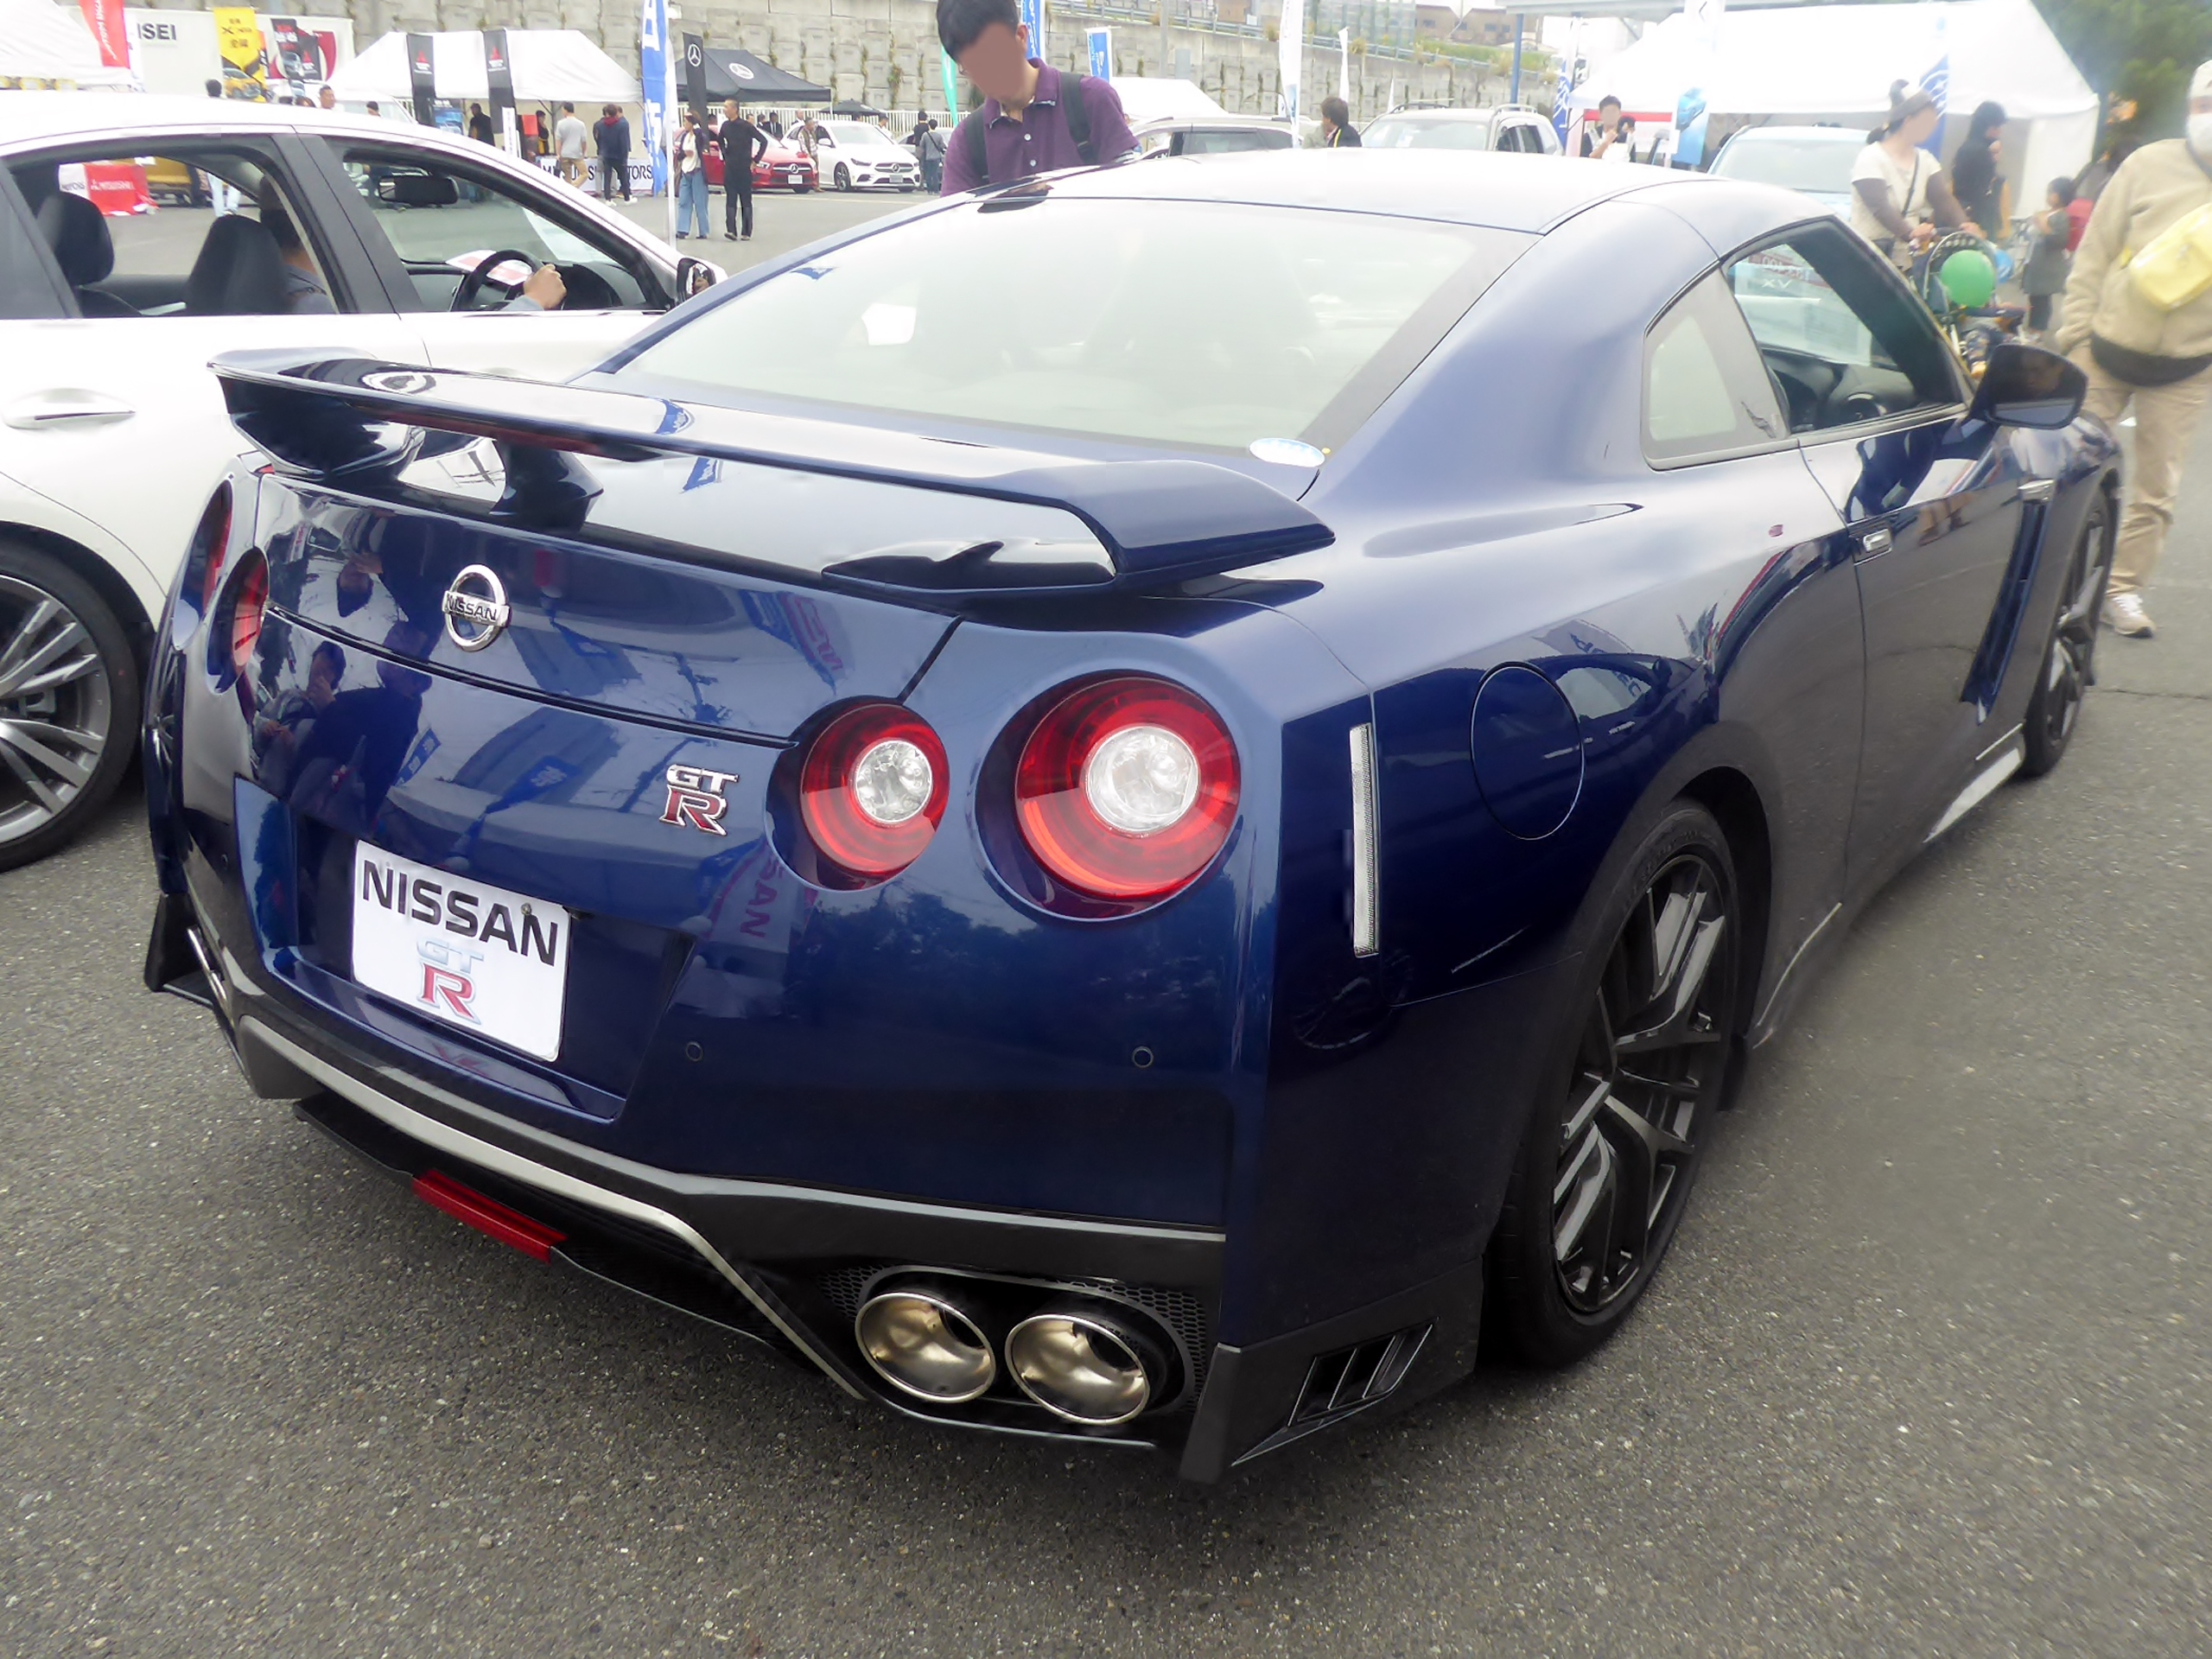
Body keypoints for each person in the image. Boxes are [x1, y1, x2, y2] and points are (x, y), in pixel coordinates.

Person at [2055, 60, 2212, 639]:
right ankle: (2056, 580)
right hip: (2105, 347)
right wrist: (2074, 338)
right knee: (2074, 471)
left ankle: (2121, 589)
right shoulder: (2148, 166)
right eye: (2204, 104)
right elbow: (2094, 251)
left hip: (2188, 367)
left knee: (2158, 490)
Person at [936, 0, 1135, 193]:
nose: (990, 76)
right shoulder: (968, 140)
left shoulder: (1092, 100)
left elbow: (1133, 196)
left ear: (1021, 36)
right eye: (975, 68)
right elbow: (955, 222)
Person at [1848, 82, 1981, 264]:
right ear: (1908, 121)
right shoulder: (1871, 157)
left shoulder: (1925, 160)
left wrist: (1964, 225)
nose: (1934, 125)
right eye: (1928, 120)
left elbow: (1943, 200)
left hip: (1908, 260)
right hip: (1870, 260)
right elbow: (1880, 207)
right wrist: (1909, 233)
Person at [2020, 176, 2075, 342]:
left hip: (2047, 267)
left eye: (2052, 192)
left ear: (2062, 196)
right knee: (2034, 297)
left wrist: (2043, 225)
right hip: (2037, 263)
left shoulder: (2061, 217)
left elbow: (2059, 240)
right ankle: (2032, 327)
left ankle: (2039, 330)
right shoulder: (2048, 214)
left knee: (2042, 300)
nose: (2048, 196)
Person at [1948, 100, 2009, 240]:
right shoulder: (1981, 153)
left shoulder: (1965, 148)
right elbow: (1982, 194)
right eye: (1996, 126)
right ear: (1986, 125)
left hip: (1958, 217)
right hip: (1976, 223)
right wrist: (1988, 230)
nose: (1999, 131)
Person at [717, 99, 766, 240]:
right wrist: (725, 154)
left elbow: (764, 141)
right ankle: (731, 230)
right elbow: (720, 140)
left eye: (726, 107)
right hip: (730, 166)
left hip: (744, 166)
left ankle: (746, 231)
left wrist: (756, 160)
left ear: (734, 109)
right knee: (730, 198)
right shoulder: (725, 126)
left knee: (746, 200)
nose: (724, 109)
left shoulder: (746, 126)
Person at [673, 108, 711, 238]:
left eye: (686, 121)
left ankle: (703, 231)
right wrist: (684, 154)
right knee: (684, 201)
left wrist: (696, 124)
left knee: (700, 203)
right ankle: (682, 229)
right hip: (685, 171)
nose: (684, 124)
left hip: (698, 171)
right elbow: (679, 155)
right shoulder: (684, 136)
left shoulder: (699, 136)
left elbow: (703, 141)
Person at [595, 104, 632, 200]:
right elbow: (623, 141)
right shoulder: (621, 125)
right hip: (618, 154)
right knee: (623, 176)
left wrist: (601, 149)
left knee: (607, 177)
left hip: (606, 153)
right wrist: (624, 154)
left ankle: (608, 199)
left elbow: (599, 139)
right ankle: (627, 197)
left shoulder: (600, 125)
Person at [555, 101, 589, 187]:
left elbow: (558, 140)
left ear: (565, 110)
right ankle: (574, 186)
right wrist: (584, 152)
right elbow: (584, 140)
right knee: (584, 174)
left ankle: (569, 189)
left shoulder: (560, 124)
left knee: (567, 177)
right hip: (577, 153)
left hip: (564, 153)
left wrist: (558, 154)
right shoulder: (581, 124)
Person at [1581, 95, 1627, 159]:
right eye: (1607, 112)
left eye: (1614, 111)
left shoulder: (1628, 138)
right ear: (1600, 115)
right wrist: (1606, 143)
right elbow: (1584, 162)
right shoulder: (1589, 137)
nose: (1611, 115)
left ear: (1619, 114)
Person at [917, 116, 946, 191]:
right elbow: (942, 145)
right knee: (935, 174)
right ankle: (936, 189)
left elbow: (921, 145)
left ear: (929, 126)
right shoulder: (939, 136)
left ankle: (929, 189)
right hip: (936, 157)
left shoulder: (925, 135)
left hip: (928, 157)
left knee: (928, 174)